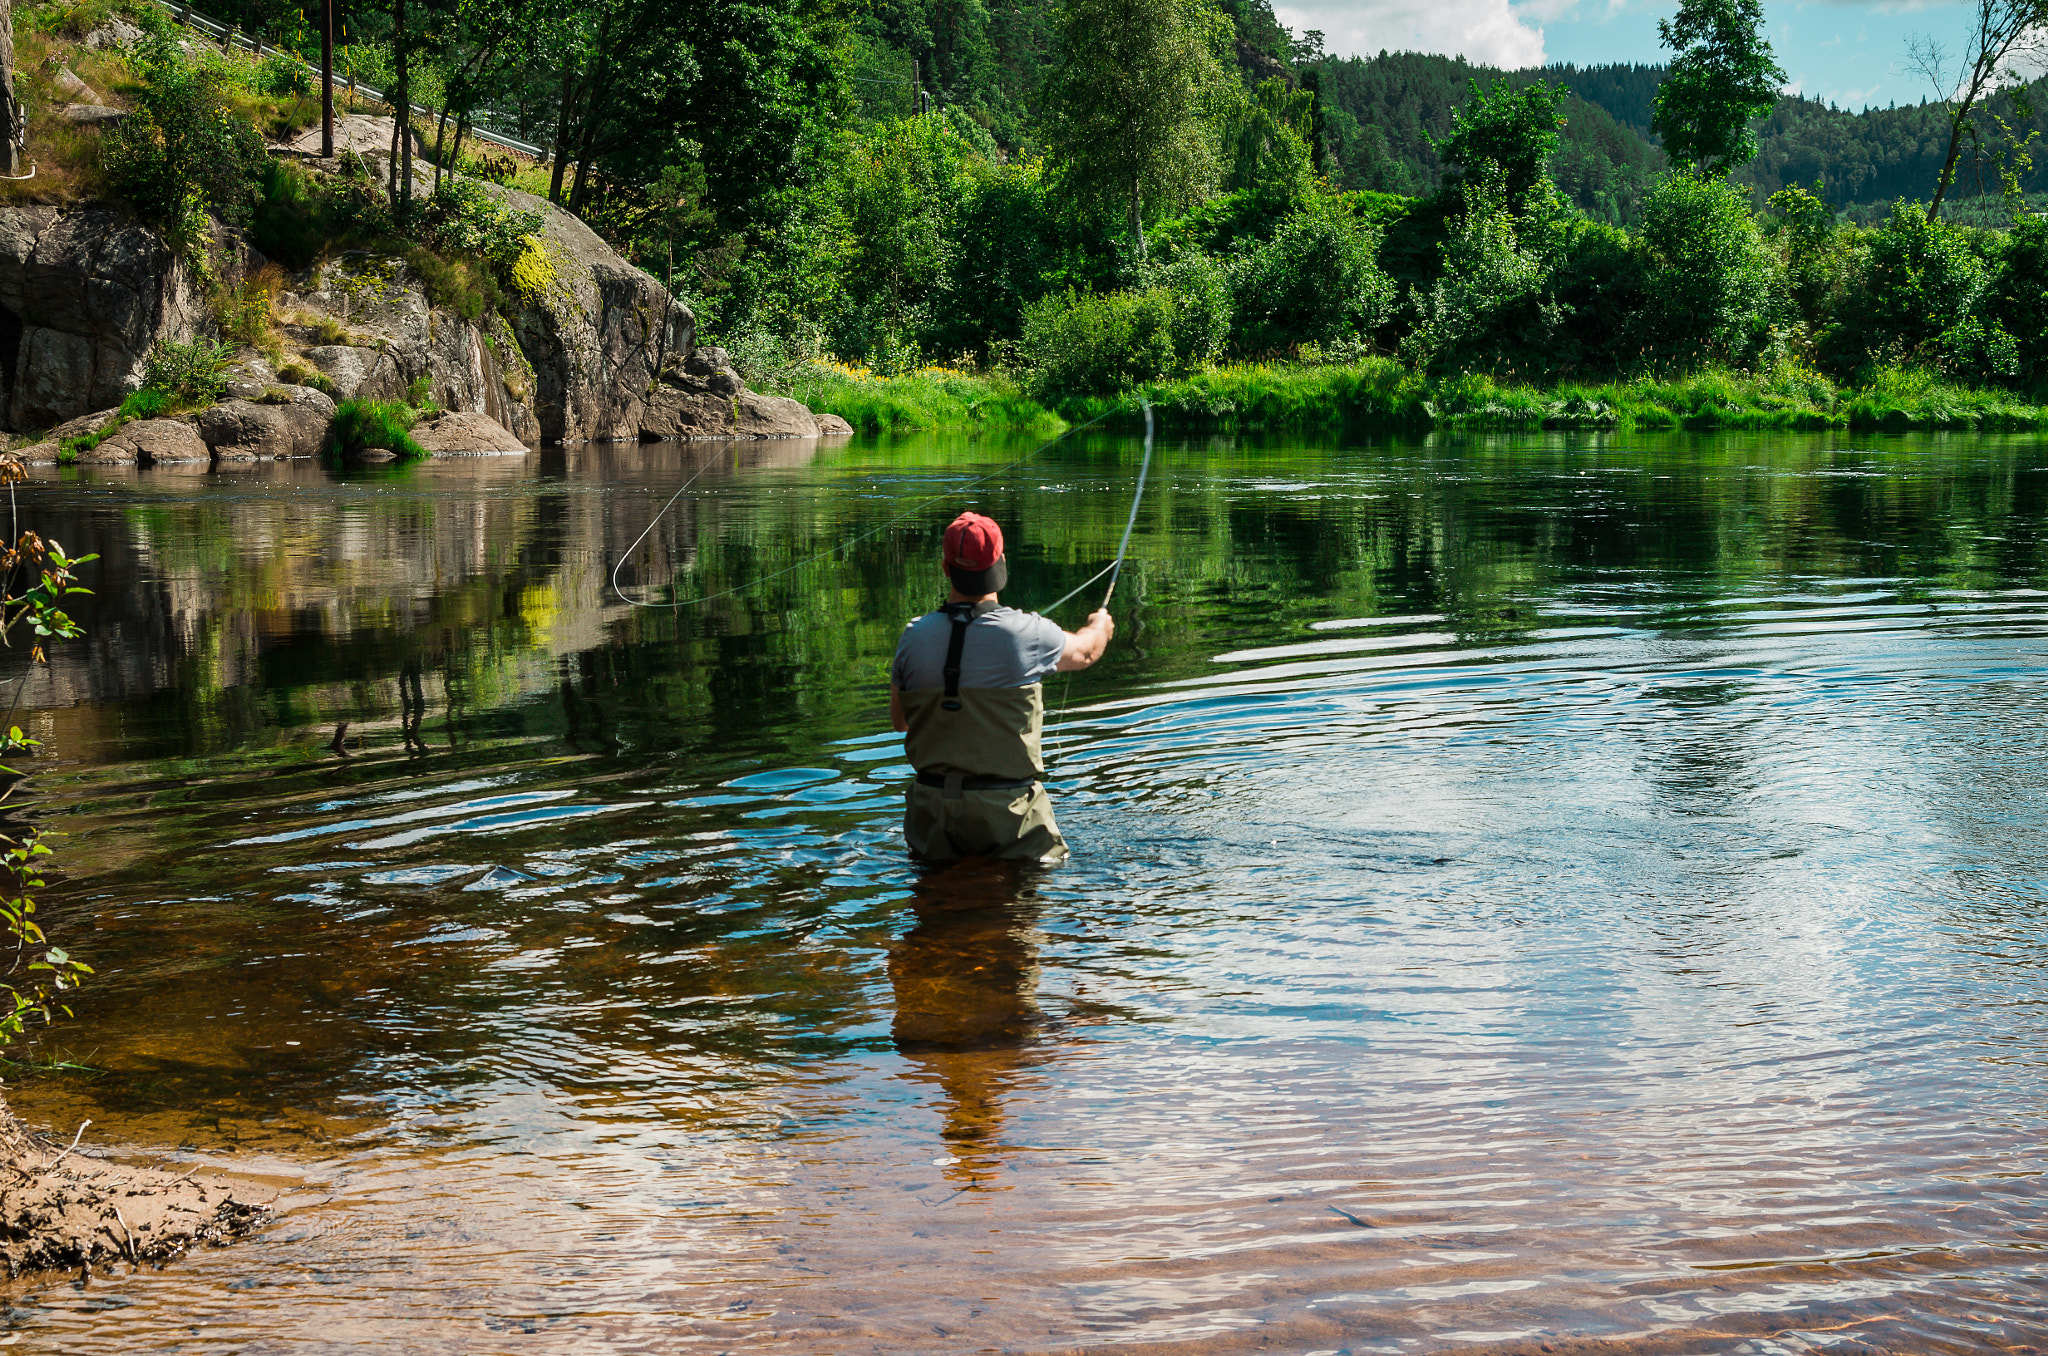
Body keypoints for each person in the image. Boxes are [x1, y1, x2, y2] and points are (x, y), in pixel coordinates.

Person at [890, 511, 1114, 862]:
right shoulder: (1029, 632)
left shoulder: (913, 636)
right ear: (1001, 565)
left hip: (932, 817)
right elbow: (1086, 653)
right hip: (1009, 817)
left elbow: (901, 722)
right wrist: (1099, 625)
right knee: (1022, 909)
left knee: (935, 905)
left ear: (946, 568)